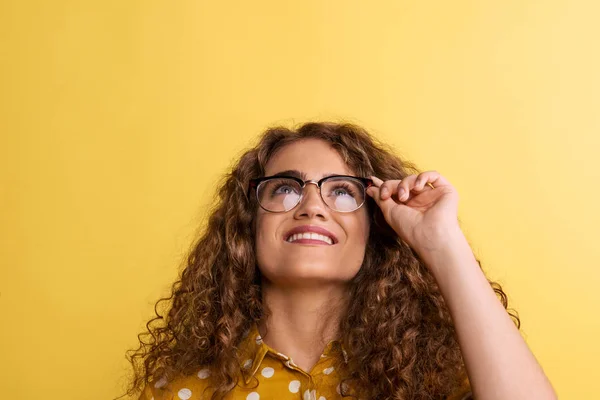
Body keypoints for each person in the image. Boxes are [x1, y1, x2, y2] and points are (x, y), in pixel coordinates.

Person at [120, 122, 557, 400]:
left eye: (342, 191)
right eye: (286, 188)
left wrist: (442, 242)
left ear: (375, 227)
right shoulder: (181, 393)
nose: (312, 205)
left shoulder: (435, 383)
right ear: (247, 227)